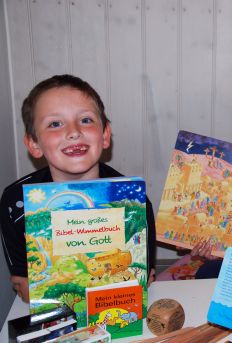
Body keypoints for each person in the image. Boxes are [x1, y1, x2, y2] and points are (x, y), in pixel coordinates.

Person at [0, 74, 156, 302]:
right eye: (55, 124)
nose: (73, 131)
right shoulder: (17, 202)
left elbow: (144, 279)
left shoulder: (133, 201)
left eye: (85, 120)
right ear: (34, 144)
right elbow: (25, 288)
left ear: (105, 135)